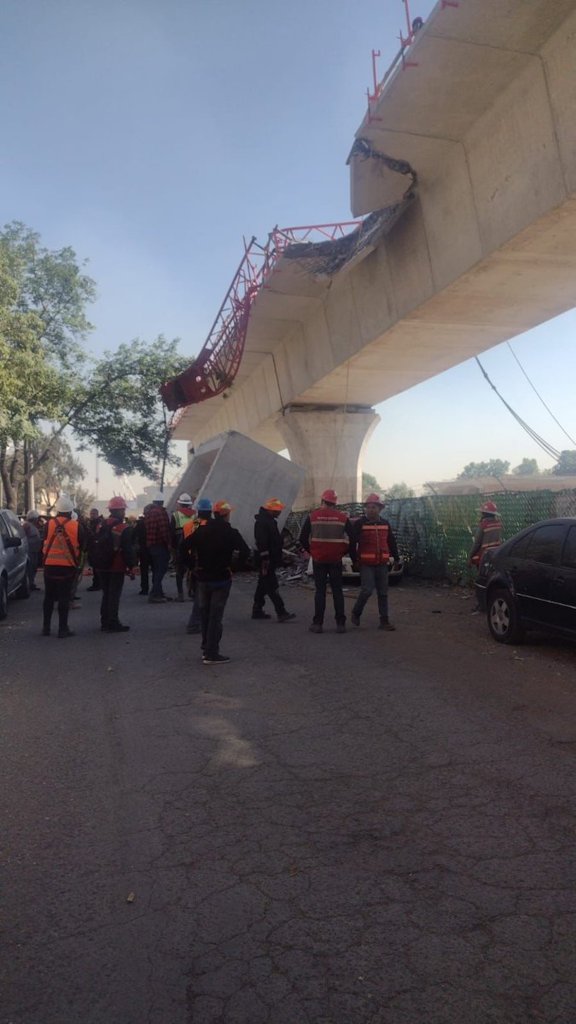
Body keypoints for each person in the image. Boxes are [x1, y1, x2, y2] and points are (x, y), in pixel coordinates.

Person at [182, 499, 250, 664]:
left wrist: (192, 566)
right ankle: (212, 653)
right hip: (221, 579)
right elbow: (245, 551)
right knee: (215, 617)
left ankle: (206, 648)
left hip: (203, 578)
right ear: (226, 515)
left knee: (205, 615)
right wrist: (235, 567)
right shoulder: (231, 532)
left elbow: (183, 548)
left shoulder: (201, 531)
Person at [299, 488, 356, 634]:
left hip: (319, 559)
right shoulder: (343, 518)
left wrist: (313, 551)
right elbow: (354, 538)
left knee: (320, 591)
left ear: (322, 501)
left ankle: (318, 624)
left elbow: (302, 538)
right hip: (336, 559)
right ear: (335, 503)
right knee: (337, 591)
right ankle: (340, 624)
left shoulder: (313, 516)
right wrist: (344, 552)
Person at [351, 493, 400, 631]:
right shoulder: (360, 524)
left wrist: (396, 558)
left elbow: (391, 541)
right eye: (369, 507)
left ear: (380, 509)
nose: (371, 510)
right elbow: (352, 543)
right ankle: (356, 612)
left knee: (383, 593)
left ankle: (384, 621)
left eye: (374, 507)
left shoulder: (385, 524)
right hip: (366, 563)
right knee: (367, 590)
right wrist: (354, 560)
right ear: (366, 509)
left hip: (382, 564)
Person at [41, 494, 87, 638]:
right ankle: (62, 629)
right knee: (64, 598)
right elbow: (83, 546)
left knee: (48, 597)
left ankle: (46, 628)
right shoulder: (77, 525)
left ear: (58, 510)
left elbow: (44, 541)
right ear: (70, 511)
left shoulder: (48, 524)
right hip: (67, 567)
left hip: (49, 566)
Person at [252, 498, 295, 623]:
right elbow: (262, 542)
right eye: (278, 510)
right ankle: (281, 611)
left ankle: (257, 609)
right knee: (272, 586)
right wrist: (265, 559)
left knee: (262, 585)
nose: (280, 512)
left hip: (268, 560)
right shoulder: (263, 522)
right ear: (272, 510)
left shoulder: (268, 521)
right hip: (266, 561)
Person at [99, 496, 135, 633]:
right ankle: (113, 622)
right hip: (116, 565)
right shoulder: (124, 528)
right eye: (123, 510)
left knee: (106, 593)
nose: (124, 512)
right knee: (114, 595)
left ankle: (104, 621)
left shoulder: (100, 524)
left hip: (101, 565)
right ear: (119, 510)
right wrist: (131, 566)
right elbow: (128, 549)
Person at [182, 498, 211, 633]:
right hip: (205, 563)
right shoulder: (211, 526)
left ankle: (200, 622)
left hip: (193, 562)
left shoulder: (190, 525)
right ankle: (195, 623)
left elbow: (183, 546)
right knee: (203, 594)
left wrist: (189, 564)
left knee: (199, 592)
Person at [144, 491, 172, 602]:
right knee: (161, 570)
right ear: (162, 502)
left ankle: (159, 593)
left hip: (151, 545)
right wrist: (169, 544)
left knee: (156, 570)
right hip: (160, 545)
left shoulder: (149, 513)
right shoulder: (161, 513)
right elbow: (164, 530)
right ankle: (154, 594)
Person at [170, 492, 196, 601]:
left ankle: (180, 595)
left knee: (179, 572)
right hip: (192, 546)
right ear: (189, 504)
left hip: (179, 547)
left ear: (180, 504)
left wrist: (172, 548)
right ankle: (192, 592)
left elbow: (171, 533)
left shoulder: (175, 515)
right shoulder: (195, 515)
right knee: (192, 570)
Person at [469, 501, 503, 567]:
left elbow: (477, 543)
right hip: (496, 553)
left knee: (482, 574)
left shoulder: (483, 525)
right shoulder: (498, 524)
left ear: (484, 514)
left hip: (485, 555)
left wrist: (470, 556)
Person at [22, 510, 42, 591]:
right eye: (37, 518)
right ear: (33, 518)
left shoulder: (34, 526)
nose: (38, 520)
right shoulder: (27, 526)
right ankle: (29, 584)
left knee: (34, 567)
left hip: (35, 550)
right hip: (29, 551)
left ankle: (32, 583)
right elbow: (23, 537)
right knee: (30, 568)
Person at [86, 507, 104, 591]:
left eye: (93, 514)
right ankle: (98, 583)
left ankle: (97, 584)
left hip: (97, 548)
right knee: (95, 567)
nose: (92, 516)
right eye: (91, 514)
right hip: (92, 548)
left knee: (97, 568)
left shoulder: (99, 523)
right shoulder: (91, 523)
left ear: (97, 514)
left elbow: (96, 535)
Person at [134, 505, 151, 595]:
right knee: (155, 570)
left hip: (143, 549)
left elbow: (134, 535)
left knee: (144, 570)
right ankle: (156, 589)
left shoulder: (140, 523)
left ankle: (144, 588)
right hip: (153, 548)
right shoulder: (154, 522)